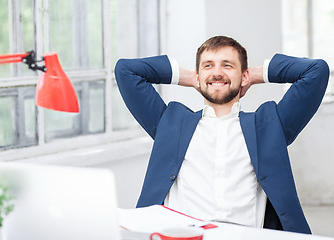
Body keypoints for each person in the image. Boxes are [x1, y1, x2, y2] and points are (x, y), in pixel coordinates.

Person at [114, 36, 329, 234]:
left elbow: (316, 71)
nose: (217, 72)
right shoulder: (170, 123)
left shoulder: (269, 125)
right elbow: (126, 70)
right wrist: (193, 78)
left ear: (243, 75)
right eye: (208, 65)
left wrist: (254, 74)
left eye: (227, 65)